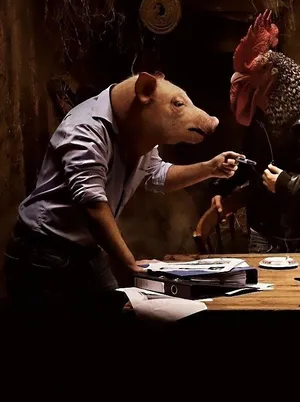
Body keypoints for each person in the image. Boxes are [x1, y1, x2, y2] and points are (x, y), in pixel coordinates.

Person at [4, 72, 240, 314]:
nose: (208, 119)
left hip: (87, 248)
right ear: (144, 92)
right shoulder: (86, 129)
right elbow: (93, 205)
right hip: (44, 251)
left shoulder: (138, 130)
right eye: (177, 105)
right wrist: (129, 264)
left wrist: (210, 168)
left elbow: (157, 175)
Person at [210, 11, 300, 253]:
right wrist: (222, 186)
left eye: (255, 70)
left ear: (274, 73)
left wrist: (290, 184)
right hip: (262, 234)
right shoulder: (261, 109)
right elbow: (253, 161)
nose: (239, 77)